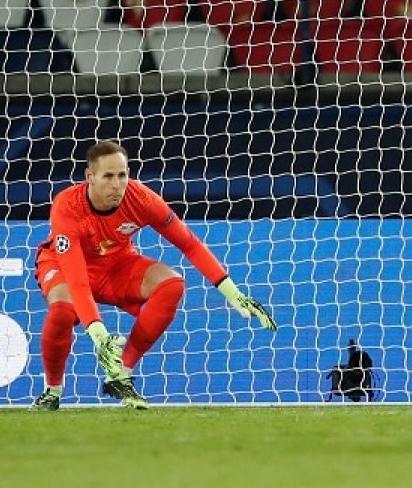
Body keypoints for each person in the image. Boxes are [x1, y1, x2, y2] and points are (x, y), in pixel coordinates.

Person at [32, 141, 276, 410]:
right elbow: (77, 278)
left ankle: (120, 375)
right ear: (89, 177)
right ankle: (52, 391)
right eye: (108, 176)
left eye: (122, 175)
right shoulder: (67, 205)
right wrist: (99, 333)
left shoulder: (142, 199)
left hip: (116, 265)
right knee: (62, 310)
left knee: (171, 285)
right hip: (65, 265)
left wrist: (233, 293)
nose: (117, 184)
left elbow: (189, 243)